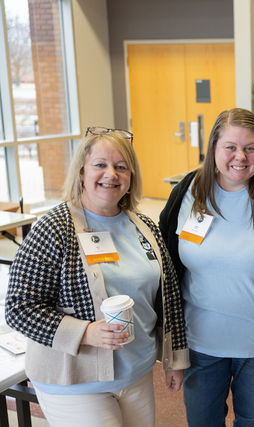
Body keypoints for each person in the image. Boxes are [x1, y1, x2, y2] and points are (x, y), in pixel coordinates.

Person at [5, 126, 189, 427]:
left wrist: (175, 358)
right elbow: (19, 308)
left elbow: (169, 297)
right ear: (81, 172)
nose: (111, 175)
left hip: (136, 374)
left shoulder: (144, 226)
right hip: (75, 382)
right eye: (100, 165)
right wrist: (85, 332)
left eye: (121, 167)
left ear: (131, 177)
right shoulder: (53, 228)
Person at [158, 108, 254, 426]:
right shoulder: (187, 192)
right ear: (214, 147)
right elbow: (165, 266)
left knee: (252, 419)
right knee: (202, 420)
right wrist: (168, 337)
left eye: (250, 148)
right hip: (199, 341)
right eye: (230, 147)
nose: (240, 157)